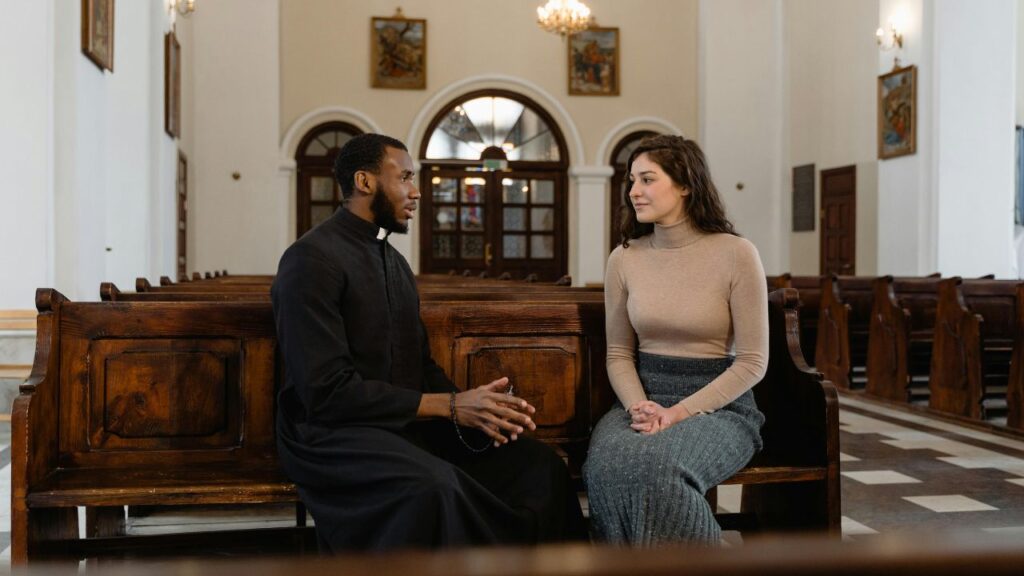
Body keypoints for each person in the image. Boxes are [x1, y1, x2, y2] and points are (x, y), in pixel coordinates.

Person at [272, 133, 586, 552]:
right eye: (404, 178)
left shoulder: (395, 261)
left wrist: (476, 408)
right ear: (365, 182)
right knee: (435, 487)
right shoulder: (311, 260)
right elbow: (324, 392)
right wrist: (450, 407)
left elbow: (420, 365)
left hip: (402, 423)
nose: (416, 191)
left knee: (538, 466)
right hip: (331, 435)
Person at [583, 134, 767, 545]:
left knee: (659, 467)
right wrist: (639, 407)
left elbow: (753, 361)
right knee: (605, 464)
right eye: (631, 181)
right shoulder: (624, 258)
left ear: (685, 184)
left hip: (719, 407)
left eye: (647, 179)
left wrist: (680, 413)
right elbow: (618, 353)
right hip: (642, 400)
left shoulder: (736, 253)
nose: (634, 191)